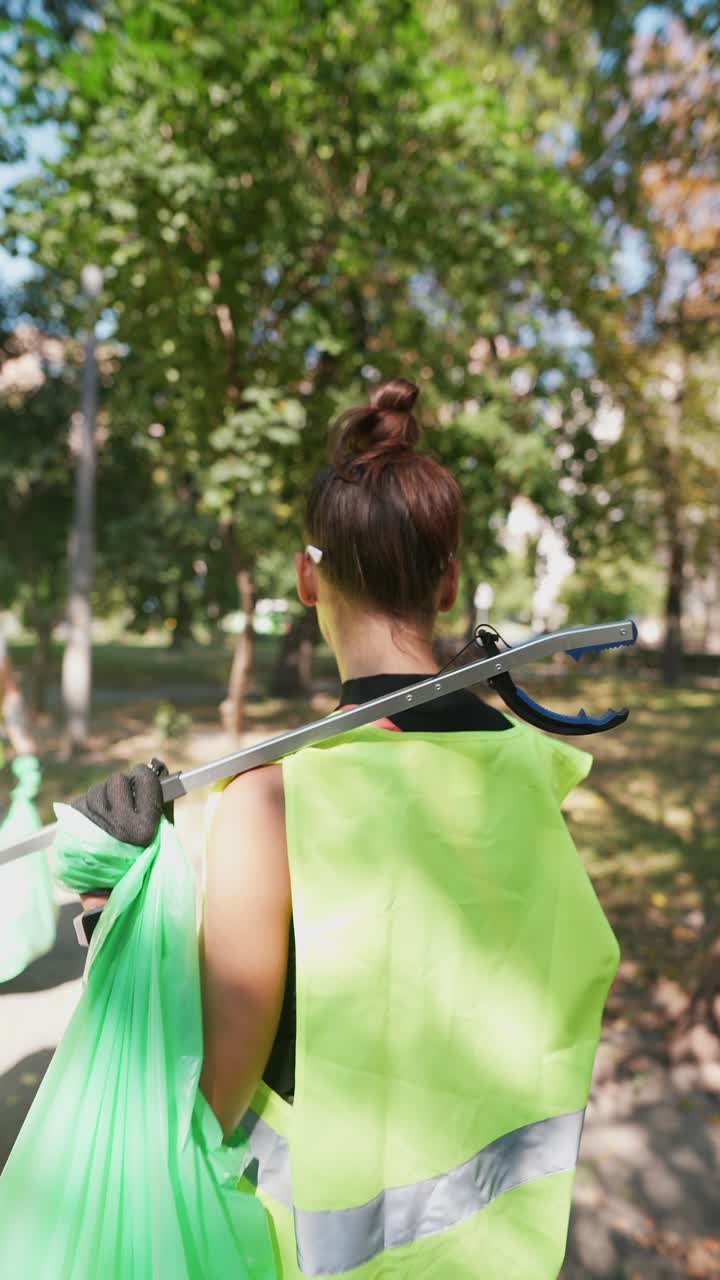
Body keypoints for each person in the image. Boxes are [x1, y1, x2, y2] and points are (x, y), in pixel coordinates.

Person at [74, 378, 620, 1278]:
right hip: (507, 1253)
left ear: (304, 576)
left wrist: (110, 909)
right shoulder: (534, 768)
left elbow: (208, 1099)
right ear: (448, 584)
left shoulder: (271, 801)